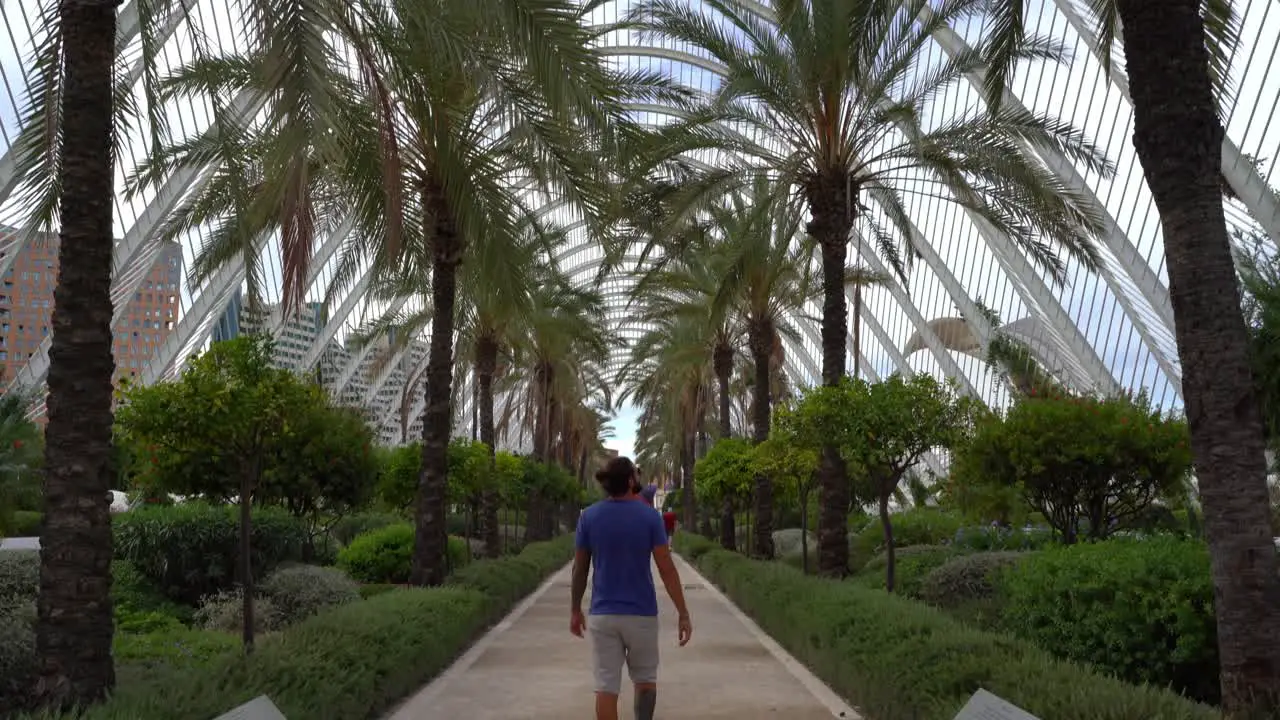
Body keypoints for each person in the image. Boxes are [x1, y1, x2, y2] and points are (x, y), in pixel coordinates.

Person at [571, 456, 693, 720]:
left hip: (602, 614)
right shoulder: (649, 518)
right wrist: (682, 612)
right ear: (629, 481)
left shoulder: (589, 517)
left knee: (605, 687)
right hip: (642, 615)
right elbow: (666, 568)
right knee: (645, 682)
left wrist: (574, 609)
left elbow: (579, 569)